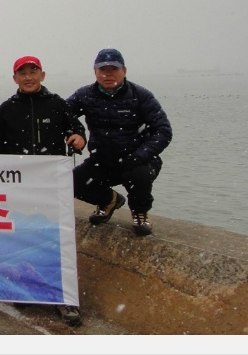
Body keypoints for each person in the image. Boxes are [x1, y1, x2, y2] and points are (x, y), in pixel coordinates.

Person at [0, 55, 86, 326]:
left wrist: (79, 138)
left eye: (33, 72)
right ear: (15, 78)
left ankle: (65, 298)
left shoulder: (57, 104)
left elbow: (76, 130)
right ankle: (28, 288)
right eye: (22, 73)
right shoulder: (7, 108)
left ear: (42, 75)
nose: (28, 77)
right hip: (19, 188)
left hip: (52, 186)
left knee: (57, 239)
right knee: (21, 237)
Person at [67, 48, 173, 237]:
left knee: (139, 176)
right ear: (95, 72)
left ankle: (140, 212)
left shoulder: (141, 96)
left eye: (113, 69)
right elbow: (61, 116)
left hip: (137, 160)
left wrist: (140, 155)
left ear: (124, 71)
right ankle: (109, 200)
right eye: (103, 70)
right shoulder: (85, 95)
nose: (108, 74)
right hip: (102, 160)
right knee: (70, 183)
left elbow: (163, 131)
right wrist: (76, 132)